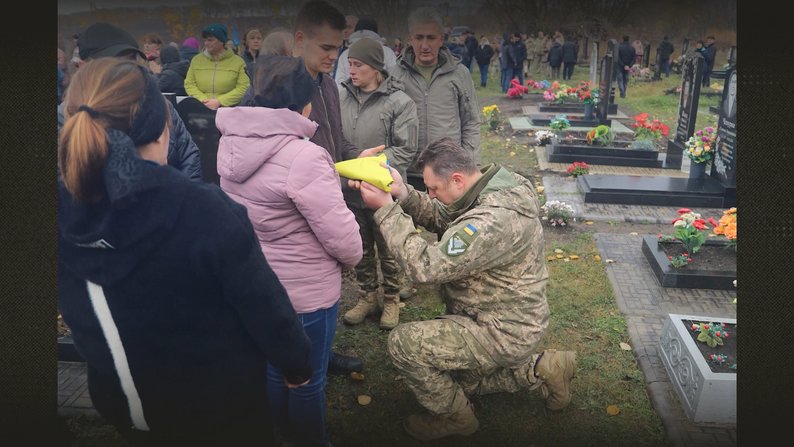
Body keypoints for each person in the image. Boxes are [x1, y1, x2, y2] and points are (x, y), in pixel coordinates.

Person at [57, 57, 313, 447]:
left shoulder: (62, 213)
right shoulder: (204, 211)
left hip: (130, 409)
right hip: (223, 413)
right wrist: (296, 364)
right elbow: (263, 303)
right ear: (163, 128)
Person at [349, 137, 577, 441]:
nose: (430, 194)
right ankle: (544, 367)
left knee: (405, 345)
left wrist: (387, 210)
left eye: (433, 189)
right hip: (505, 319)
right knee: (459, 381)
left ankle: (458, 419)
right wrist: (403, 193)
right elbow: (449, 215)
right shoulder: (493, 185)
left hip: (500, 330)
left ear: (457, 178)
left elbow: (426, 267)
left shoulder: (491, 221)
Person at [216, 55, 363, 447]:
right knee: (307, 380)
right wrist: (354, 255)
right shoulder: (304, 156)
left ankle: (279, 434)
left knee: (273, 365)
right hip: (307, 294)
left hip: (259, 285)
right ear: (306, 104)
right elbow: (343, 239)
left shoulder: (231, 143)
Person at [292, 0, 387, 376]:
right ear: (300, 39)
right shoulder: (284, 86)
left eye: (339, 46)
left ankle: (321, 353)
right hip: (297, 202)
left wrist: (355, 156)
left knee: (327, 282)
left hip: (328, 194)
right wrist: (325, 174)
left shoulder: (327, 84)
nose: (336, 55)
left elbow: (335, 140)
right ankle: (300, 363)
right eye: (327, 48)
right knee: (301, 290)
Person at [338, 37, 419, 330]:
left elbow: (406, 149)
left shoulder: (400, 102)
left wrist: (367, 167)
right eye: (349, 64)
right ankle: (367, 296)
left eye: (358, 64)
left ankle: (392, 299)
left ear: (375, 68)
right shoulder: (340, 97)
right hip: (351, 189)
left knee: (388, 247)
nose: (351, 71)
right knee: (361, 247)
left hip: (384, 190)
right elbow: (336, 139)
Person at [57, 22, 201, 182]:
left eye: (131, 60)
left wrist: (182, 200)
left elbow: (189, 156)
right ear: (84, 67)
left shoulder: (161, 106)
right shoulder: (65, 117)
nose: (126, 70)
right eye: (114, 62)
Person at [391, 6, 480, 191]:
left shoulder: (459, 74)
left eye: (431, 37)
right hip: (407, 172)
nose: (424, 45)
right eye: (419, 37)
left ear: (441, 39)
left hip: (447, 173)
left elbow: (471, 122)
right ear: (410, 39)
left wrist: (469, 164)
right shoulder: (395, 74)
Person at [184, 23, 250, 109]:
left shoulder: (238, 62)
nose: (206, 43)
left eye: (210, 40)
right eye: (205, 40)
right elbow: (189, 84)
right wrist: (204, 100)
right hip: (200, 110)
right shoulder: (196, 60)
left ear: (222, 41)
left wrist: (220, 101)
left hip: (228, 111)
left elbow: (244, 87)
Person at [334, 16, 397, 88]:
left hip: (351, 96)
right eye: (351, 64)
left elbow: (339, 84)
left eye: (358, 65)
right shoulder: (387, 52)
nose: (352, 71)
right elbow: (395, 79)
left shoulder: (345, 54)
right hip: (384, 95)